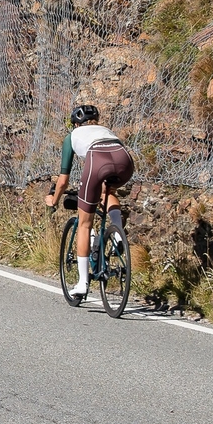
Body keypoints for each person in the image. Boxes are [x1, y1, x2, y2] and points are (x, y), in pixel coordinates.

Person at [46, 102, 133, 299]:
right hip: (124, 160)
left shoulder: (72, 137)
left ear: (76, 124)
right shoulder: (105, 130)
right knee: (107, 190)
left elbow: (63, 180)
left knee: (85, 224)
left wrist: (54, 200)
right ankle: (118, 232)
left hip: (97, 160)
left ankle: (82, 282)